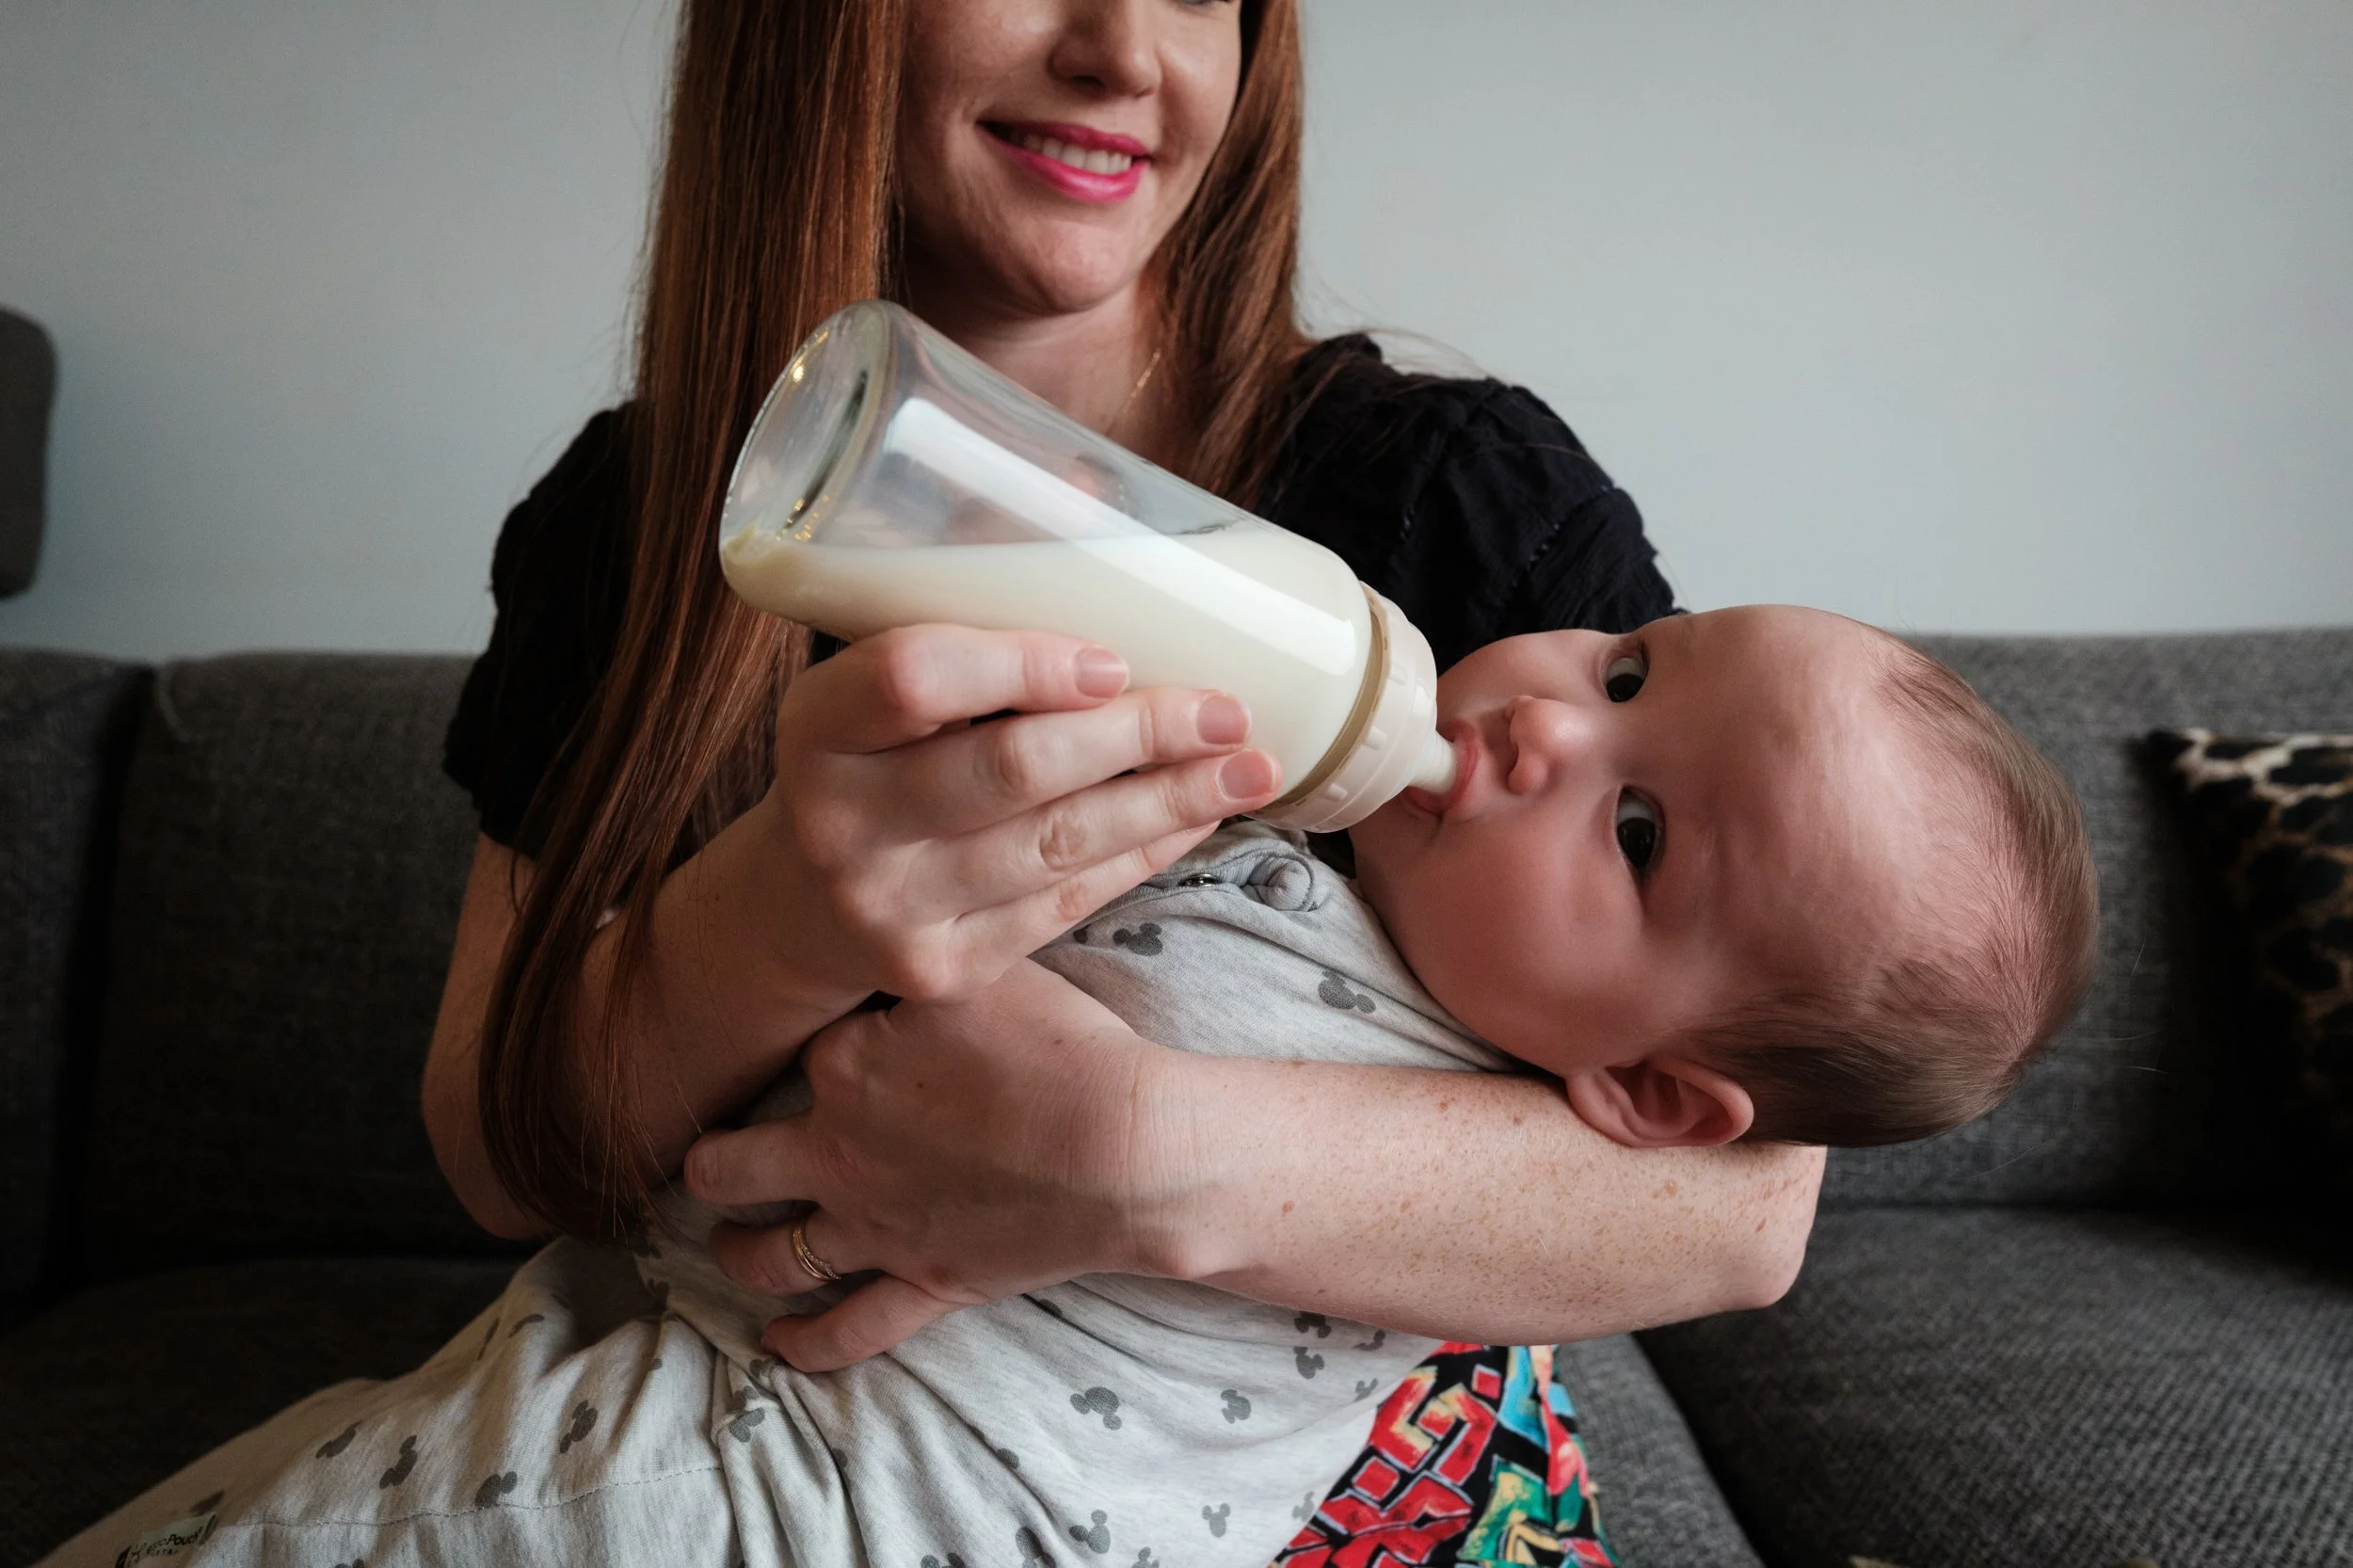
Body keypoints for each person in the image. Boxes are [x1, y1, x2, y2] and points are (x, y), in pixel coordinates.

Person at [37, 2, 1823, 1563]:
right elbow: (500, 1153)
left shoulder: (1449, 500)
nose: (1126, 51)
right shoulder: (635, 531)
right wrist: (782, 914)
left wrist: (1133, 1155)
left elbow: (1747, 1202)